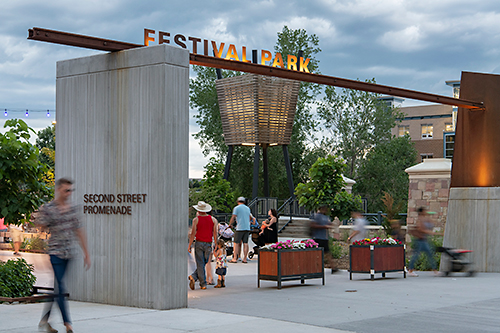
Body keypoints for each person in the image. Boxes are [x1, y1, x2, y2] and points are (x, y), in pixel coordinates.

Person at [36, 178, 91, 333]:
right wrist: (41, 220)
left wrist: (86, 253)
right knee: (61, 286)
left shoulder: (73, 208)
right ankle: (68, 323)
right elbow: (39, 225)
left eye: (71, 190)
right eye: (66, 190)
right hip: (55, 252)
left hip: (69, 253)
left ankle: (44, 321)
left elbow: (79, 231)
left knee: (57, 288)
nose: (69, 193)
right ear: (59, 190)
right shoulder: (49, 208)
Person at [188, 201, 218, 290]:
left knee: (200, 263)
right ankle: (202, 283)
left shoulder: (196, 220)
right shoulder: (213, 219)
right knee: (204, 262)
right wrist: (215, 244)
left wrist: (189, 245)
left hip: (198, 243)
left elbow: (193, 233)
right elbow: (215, 233)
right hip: (208, 243)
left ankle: (196, 278)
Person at [408, 207, 438, 277]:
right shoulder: (419, 220)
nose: (426, 212)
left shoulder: (424, 219)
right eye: (424, 211)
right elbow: (421, 229)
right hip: (419, 240)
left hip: (423, 240)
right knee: (416, 255)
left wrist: (430, 218)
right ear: (421, 212)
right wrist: (431, 232)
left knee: (430, 254)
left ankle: (435, 270)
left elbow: (431, 225)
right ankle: (410, 270)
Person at [310, 205, 336, 273]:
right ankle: (314, 267)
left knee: (328, 253)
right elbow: (313, 225)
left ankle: (333, 267)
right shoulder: (316, 216)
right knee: (317, 253)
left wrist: (330, 225)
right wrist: (323, 226)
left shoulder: (325, 217)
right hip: (318, 237)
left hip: (324, 237)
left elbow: (328, 223)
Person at [228, 197, 252, 263]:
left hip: (239, 228)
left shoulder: (236, 208)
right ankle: (244, 258)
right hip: (247, 227)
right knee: (245, 243)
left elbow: (233, 217)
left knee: (236, 243)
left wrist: (230, 224)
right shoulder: (247, 208)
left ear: (238, 201)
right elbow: (250, 217)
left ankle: (235, 258)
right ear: (244, 202)